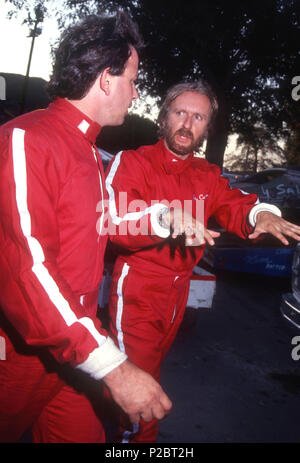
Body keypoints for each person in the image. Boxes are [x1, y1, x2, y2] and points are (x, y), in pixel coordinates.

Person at [0, 12, 171, 444]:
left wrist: (164, 219)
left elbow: (102, 220)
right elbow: (29, 270)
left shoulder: (88, 150)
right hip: (20, 358)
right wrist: (111, 366)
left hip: (73, 352)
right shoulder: (27, 139)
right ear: (107, 79)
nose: (135, 93)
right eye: (133, 79)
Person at [105, 80, 300, 443]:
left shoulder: (207, 175)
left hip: (177, 299)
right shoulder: (132, 162)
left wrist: (260, 215)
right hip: (138, 294)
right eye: (180, 113)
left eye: (198, 117)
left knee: (143, 378)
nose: (187, 123)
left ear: (207, 128)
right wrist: (165, 217)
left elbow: (234, 202)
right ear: (163, 119)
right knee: (139, 397)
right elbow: (114, 222)